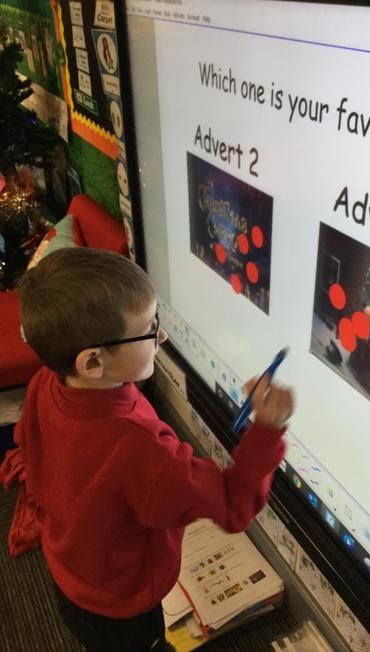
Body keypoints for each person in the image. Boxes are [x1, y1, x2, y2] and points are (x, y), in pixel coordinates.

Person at [15, 247, 294, 652]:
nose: (161, 335)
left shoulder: (46, 381)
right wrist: (267, 430)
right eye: (148, 329)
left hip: (69, 572)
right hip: (124, 608)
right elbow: (234, 504)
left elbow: (31, 446)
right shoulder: (143, 452)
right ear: (92, 363)